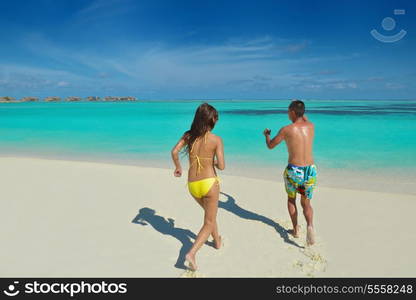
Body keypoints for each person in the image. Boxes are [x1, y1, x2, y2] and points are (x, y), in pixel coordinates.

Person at [171, 102, 225, 270]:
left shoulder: (188, 136)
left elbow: (174, 152)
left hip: (193, 184)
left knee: (210, 216)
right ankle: (191, 253)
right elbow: (222, 166)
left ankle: (217, 242)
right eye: (216, 119)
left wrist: (178, 167)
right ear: (211, 120)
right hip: (209, 183)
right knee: (208, 221)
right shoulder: (216, 140)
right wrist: (213, 162)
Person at [263, 100, 317, 246]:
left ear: (293, 112)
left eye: (288, 110)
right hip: (310, 170)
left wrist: (267, 135)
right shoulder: (311, 126)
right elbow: (304, 117)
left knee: (291, 200)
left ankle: (295, 230)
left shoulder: (287, 130)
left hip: (294, 170)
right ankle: (310, 225)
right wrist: (299, 107)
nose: (287, 113)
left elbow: (270, 146)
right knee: (306, 203)